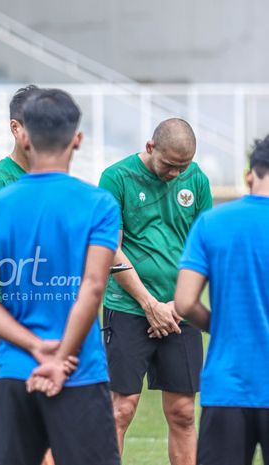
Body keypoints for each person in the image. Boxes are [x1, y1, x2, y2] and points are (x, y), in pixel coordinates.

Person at [0, 88, 121, 465]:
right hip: (80, 369)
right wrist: (61, 355)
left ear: (26, 137)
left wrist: (36, 349)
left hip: (18, 369)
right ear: (77, 139)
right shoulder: (98, 204)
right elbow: (94, 286)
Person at [99, 118, 211, 464]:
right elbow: (109, 248)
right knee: (121, 409)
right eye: (169, 164)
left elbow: (204, 246)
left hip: (180, 312)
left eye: (183, 166)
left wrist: (177, 306)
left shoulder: (198, 180)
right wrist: (150, 303)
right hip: (129, 308)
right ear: (150, 147)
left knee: (182, 412)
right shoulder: (116, 178)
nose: (176, 173)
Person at [0, 84, 58, 465]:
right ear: (16, 128)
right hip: (10, 317)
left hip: (53, 318)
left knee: (51, 422)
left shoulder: (54, 178)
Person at [175, 136, 269, 465]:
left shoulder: (212, 222)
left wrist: (221, 326)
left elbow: (184, 302)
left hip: (228, 384)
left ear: (249, 174)